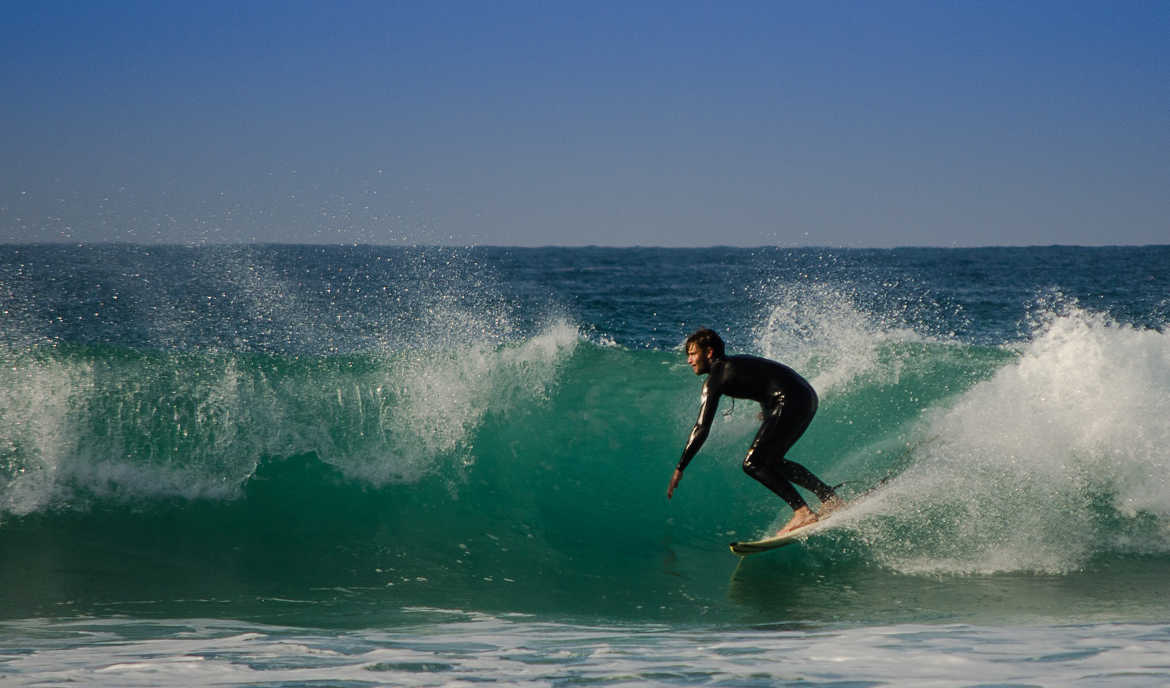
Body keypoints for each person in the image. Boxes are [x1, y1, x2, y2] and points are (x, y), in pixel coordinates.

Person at [667, 328, 840, 534]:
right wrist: (768, 410)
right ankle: (829, 498)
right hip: (804, 397)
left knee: (753, 463)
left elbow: (702, 427)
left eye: (693, 354)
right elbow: (767, 379)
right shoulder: (734, 365)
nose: (689, 360)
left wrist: (680, 467)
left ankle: (803, 512)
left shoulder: (716, 378)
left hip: (791, 400)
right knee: (771, 461)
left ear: (709, 352)